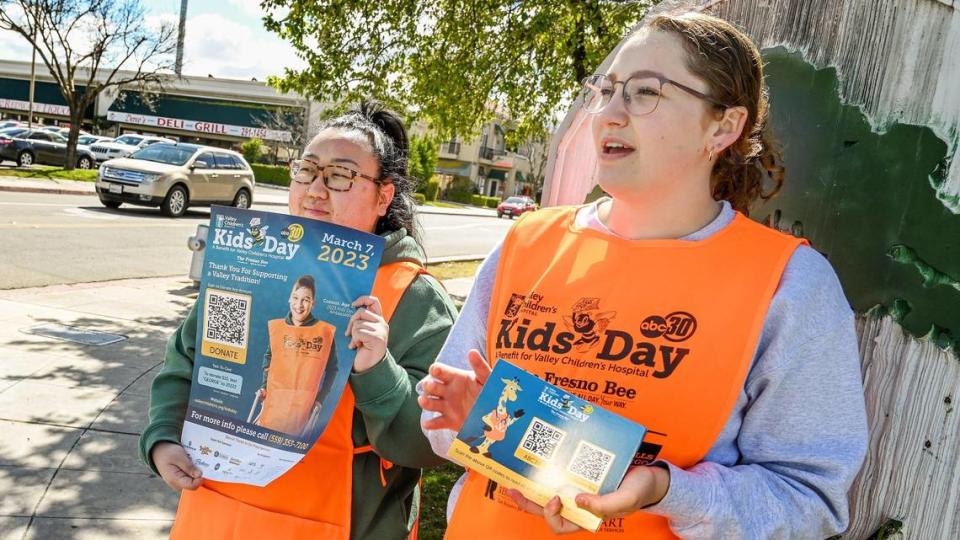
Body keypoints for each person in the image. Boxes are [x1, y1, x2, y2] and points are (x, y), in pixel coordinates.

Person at [419, 11, 868, 539]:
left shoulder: (789, 284)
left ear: (723, 127)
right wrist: (477, 422)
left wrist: (664, 489)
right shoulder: (525, 243)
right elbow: (442, 416)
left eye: (644, 92)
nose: (608, 113)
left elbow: (807, 501)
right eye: (605, 90)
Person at [140, 100, 458, 540]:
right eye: (306, 170)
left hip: (341, 523)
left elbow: (429, 444)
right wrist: (162, 437)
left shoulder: (417, 298)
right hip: (215, 514)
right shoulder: (249, 266)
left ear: (384, 195)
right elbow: (187, 361)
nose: (315, 189)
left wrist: (377, 370)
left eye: (341, 176)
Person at [251, 275, 340, 439]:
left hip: (303, 408)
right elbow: (269, 359)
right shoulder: (278, 328)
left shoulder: (324, 332)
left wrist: (321, 398)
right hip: (274, 403)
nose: (299, 305)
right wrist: (264, 386)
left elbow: (333, 369)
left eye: (306, 300)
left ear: (313, 303)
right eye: (295, 298)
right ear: (289, 299)